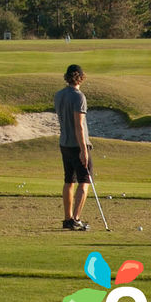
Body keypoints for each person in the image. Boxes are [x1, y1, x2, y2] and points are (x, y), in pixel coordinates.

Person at [54, 64, 91, 231]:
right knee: (84, 181)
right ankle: (75, 219)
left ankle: (68, 218)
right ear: (81, 77)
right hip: (77, 145)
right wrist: (84, 150)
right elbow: (79, 126)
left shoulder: (59, 95)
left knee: (69, 180)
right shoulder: (79, 97)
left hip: (64, 143)